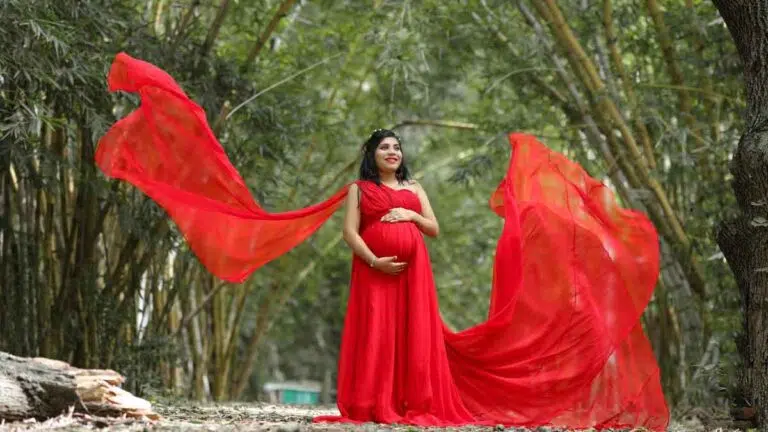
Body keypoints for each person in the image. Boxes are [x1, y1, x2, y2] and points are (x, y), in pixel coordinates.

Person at [96, 53, 670, 430]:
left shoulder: (416, 187)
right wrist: (374, 256)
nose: (392, 151)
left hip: (415, 274)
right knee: (376, 336)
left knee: (415, 338)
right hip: (376, 270)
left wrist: (409, 214)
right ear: (372, 154)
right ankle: (373, 403)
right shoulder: (355, 188)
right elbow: (349, 233)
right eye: (384, 146)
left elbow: (436, 229)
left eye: (397, 146)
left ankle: (413, 401)